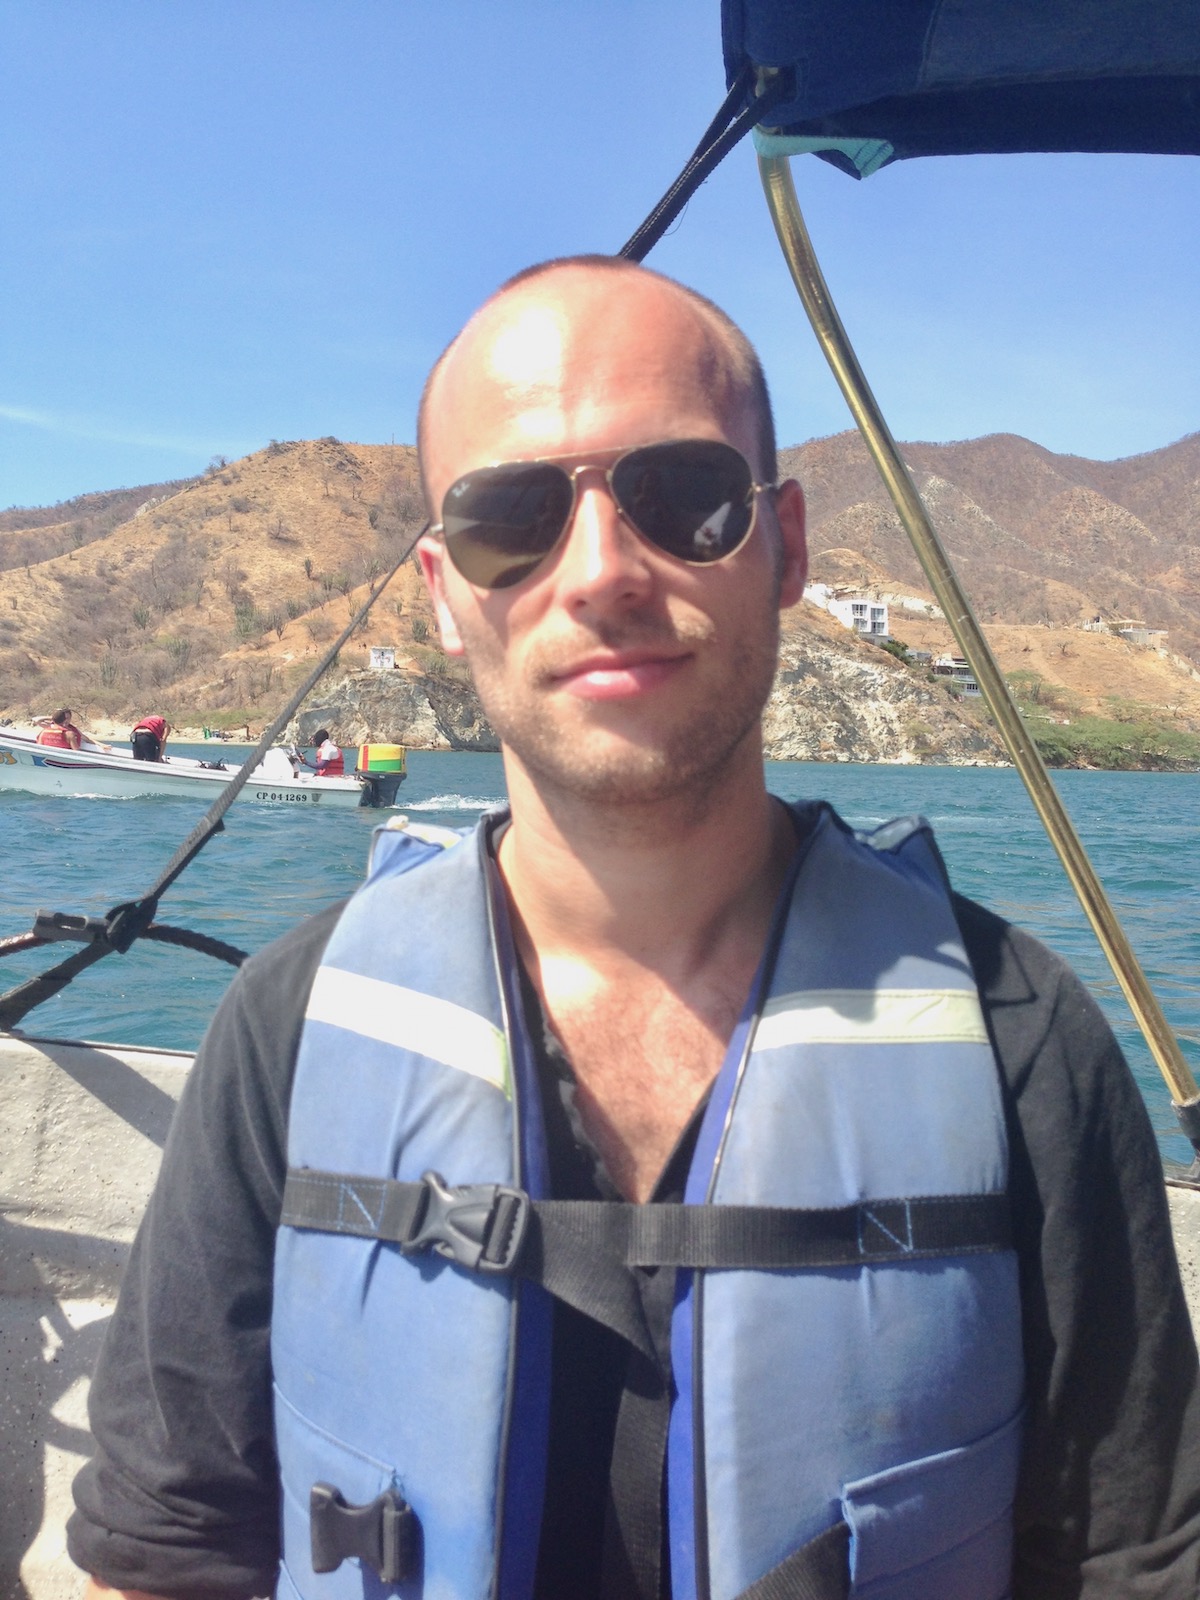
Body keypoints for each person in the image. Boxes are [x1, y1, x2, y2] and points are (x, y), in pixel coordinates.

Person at [70, 258, 1200, 1600]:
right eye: (513, 520)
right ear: (441, 593)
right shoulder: (290, 1026)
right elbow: (165, 1554)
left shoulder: (1023, 1043)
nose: (601, 570)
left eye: (684, 498)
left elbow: (1132, 1566)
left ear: (784, 545)